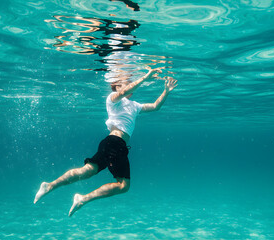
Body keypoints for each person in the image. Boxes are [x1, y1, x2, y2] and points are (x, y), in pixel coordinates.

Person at [33, 66, 178, 217]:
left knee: (87, 171)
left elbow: (155, 107)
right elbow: (122, 92)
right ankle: (82, 198)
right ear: (116, 85)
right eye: (126, 82)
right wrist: (144, 78)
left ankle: (50, 186)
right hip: (115, 143)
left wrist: (166, 91)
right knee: (123, 185)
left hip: (112, 143)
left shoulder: (135, 106)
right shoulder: (113, 99)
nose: (130, 84)